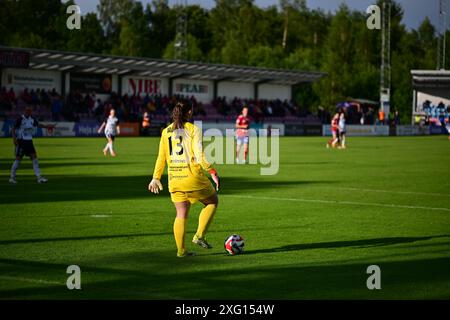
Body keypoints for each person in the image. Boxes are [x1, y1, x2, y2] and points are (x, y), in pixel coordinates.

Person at [148, 102, 220, 258]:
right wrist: (212, 171)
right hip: (192, 178)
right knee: (212, 201)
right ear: (189, 112)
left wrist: (156, 177)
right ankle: (199, 236)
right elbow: (200, 155)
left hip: (174, 180)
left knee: (181, 214)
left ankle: (181, 251)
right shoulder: (194, 130)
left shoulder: (165, 132)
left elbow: (161, 157)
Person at [9, 106, 51, 184]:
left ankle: (39, 177)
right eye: (27, 111)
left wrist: (47, 126)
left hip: (29, 142)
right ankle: (12, 177)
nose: (28, 112)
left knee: (35, 158)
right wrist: (14, 139)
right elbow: (13, 129)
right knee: (18, 159)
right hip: (21, 141)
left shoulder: (32, 119)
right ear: (25, 111)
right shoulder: (20, 119)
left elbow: (38, 125)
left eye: (30, 111)